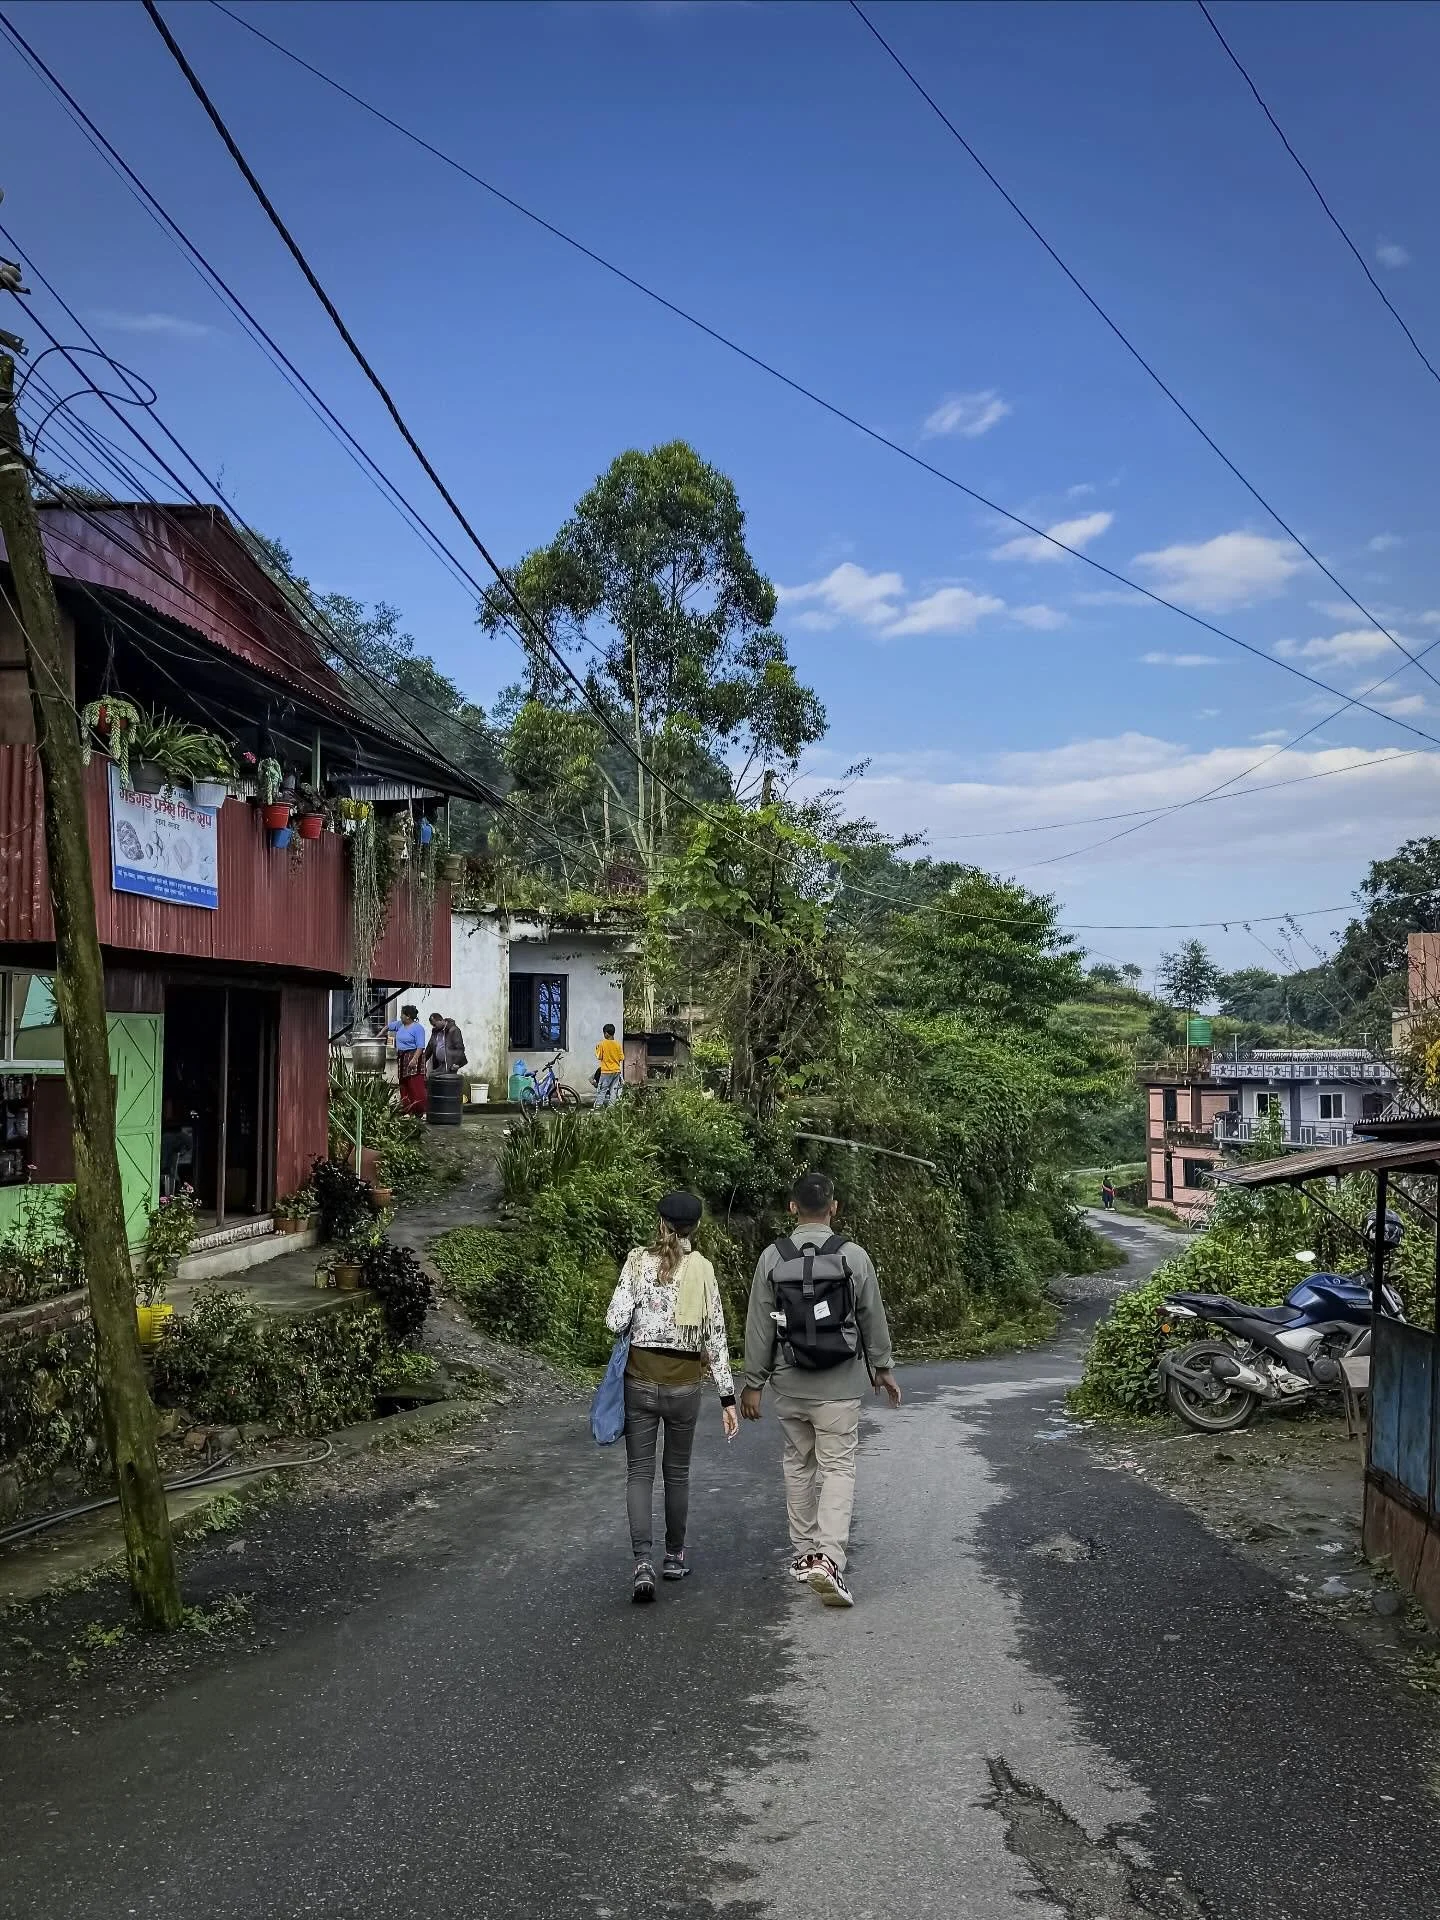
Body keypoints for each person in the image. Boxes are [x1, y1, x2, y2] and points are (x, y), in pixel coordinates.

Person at [741, 1170, 900, 1609]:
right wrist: (882, 1368)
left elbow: (759, 1327)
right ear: (834, 1208)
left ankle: (805, 1553)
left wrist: (752, 1384)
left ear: (792, 1207)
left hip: (789, 1383)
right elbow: (872, 1317)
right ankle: (829, 1558)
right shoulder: (853, 1256)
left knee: (798, 1464)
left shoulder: (772, 1258)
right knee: (837, 1468)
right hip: (840, 1384)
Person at [605, 1191, 739, 1602]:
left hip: (640, 1381)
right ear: (694, 1228)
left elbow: (615, 1320)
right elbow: (715, 1337)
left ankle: (642, 1562)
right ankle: (675, 1557)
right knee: (676, 1472)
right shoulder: (703, 1270)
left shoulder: (637, 1264)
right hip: (685, 1387)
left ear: (660, 1222)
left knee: (639, 1474)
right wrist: (727, 1398)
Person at [386, 1002, 429, 1117]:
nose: (400, 1016)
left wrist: (414, 1059)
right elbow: (388, 1027)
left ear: (408, 1016)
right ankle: (407, 1109)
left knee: (415, 1083)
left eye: (402, 1014)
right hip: (402, 1057)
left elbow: (420, 1046)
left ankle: (420, 1110)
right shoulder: (400, 1024)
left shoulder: (418, 1028)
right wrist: (379, 1035)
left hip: (413, 1056)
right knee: (404, 1084)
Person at [424, 1013, 467, 1077]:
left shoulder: (453, 1030)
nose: (434, 1027)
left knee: (446, 1082)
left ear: (440, 1020)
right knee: (434, 1078)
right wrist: (423, 1060)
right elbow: (430, 1047)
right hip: (439, 1064)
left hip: (450, 1063)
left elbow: (460, 1048)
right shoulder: (435, 1032)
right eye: (433, 1025)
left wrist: (457, 1063)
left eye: (434, 1024)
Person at [594, 1022, 625, 1109]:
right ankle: (612, 1109)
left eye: (604, 1033)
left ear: (606, 1033)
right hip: (616, 1071)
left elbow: (599, 1056)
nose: (604, 1035)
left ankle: (598, 1108)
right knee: (613, 1091)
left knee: (602, 1090)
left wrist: (596, 1049)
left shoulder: (602, 1044)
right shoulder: (618, 1044)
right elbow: (621, 1057)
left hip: (606, 1072)